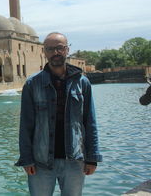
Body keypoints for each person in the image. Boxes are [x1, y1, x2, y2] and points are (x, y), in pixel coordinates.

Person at [17, 32, 102, 196]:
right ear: (44, 52)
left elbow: (89, 122)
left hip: (74, 160)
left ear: (67, 50)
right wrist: (26, 159)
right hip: (40, 160)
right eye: (50, 49)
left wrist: (92, 157)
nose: (55, 52)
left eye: (60, 48)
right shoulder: (32, 84)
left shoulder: (82, 82)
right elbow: (26, 125)